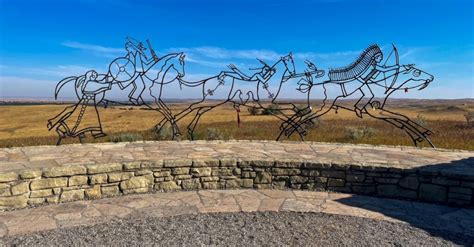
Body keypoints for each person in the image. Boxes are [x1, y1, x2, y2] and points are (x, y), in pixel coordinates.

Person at [122, 38, 158, 105]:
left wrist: (154, 59)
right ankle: (133, 98)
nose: (142, 48)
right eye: (140, 47)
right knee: (141, 86)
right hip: (135, 72)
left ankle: (132, 97)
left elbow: (146, 63)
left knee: (140, 86)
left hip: (138, 72)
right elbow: (129, 47)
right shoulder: (133, 53)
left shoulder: (139, 53)